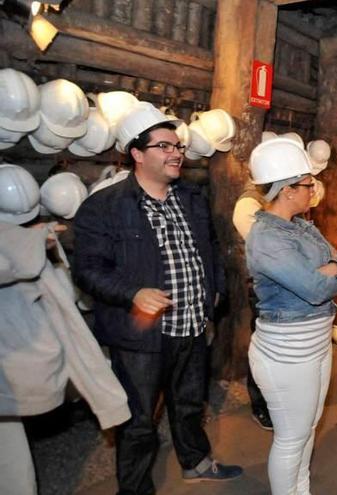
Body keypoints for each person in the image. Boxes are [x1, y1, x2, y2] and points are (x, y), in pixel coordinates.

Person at [73, 102, 241, 493]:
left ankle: (195, 461)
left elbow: (210, 247)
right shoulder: (105, 207)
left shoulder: (190, 198)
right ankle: (134, 489)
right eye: (164, 146)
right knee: (138, 419)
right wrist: (132, 292)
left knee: (189, 403)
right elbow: (88, 270)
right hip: (140, 337)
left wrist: (213, 289)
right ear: (136, 153)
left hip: (191, 326)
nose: (176, 153)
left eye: (178, 147)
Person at [1, 164, 130, 495]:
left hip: (12, 375)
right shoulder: (34, 249)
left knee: (11, 464)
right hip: (17, 372)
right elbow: (68, 318)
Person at [245, 137, 337, 494]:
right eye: (308, 184)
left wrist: (330, 267)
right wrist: (330, 270)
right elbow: (315, 288)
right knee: (292, 437)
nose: (313, 190)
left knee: (308, 428)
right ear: (288, 189)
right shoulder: (266, 237)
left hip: (315, 346)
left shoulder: (302, 225)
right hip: (286, 353)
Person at [231, 184, 273, 430]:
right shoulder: (249, 204)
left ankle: (273, 402)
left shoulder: (266, 200)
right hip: (262, 287)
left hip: (274, 285)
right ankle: (260, 405)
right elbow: (266, 248)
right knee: (264, 348)